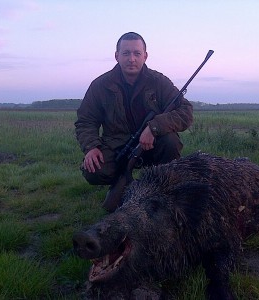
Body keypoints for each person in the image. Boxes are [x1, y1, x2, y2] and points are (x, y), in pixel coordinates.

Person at [75, 32, 193, 208]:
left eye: (137, 53)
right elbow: (86, 121)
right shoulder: (100, 84)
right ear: (117, 56)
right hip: (117, 145)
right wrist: (91, 147)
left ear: (145, 56)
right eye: (126, 53)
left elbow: (186, 111)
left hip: (154, 143)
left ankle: (163, 187)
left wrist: (154, 127)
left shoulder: (159, 81)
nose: (131, 59)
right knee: (94, 171)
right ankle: (124, 183)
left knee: (170, 142)